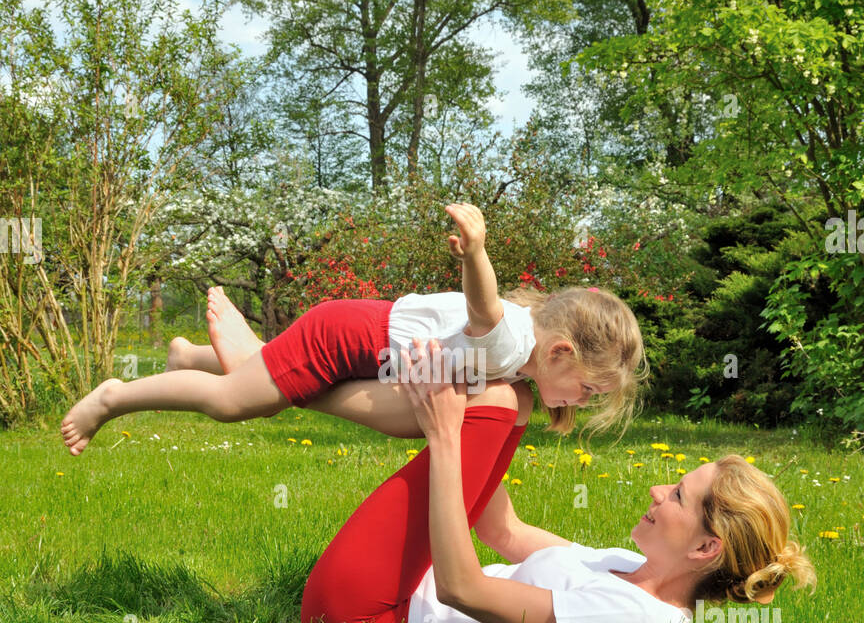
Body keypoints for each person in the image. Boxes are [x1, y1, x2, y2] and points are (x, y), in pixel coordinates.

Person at [300, 338, 817, 623]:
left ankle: (288, 382)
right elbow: (505, 532)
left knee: (492, 403)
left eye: (679, 496)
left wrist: (446, 438)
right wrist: (490, 429)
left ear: (707, 548)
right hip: (405, 591)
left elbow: (461, 588)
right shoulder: (626, 567)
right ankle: (287, 380)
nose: (658, 490)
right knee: (511, 399)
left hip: (365, 622)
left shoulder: (637, 618)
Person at [60, 203, 645, 455]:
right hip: (345, 341)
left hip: (364, 342)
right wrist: (475, 252)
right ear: (562, 350)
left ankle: (192, 356)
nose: (580, 403)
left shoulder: (526, 363)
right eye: (588, 390)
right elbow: (484, 309)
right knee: (232, 404)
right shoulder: (515, 336)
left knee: (256, 379)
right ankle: (115, 396)